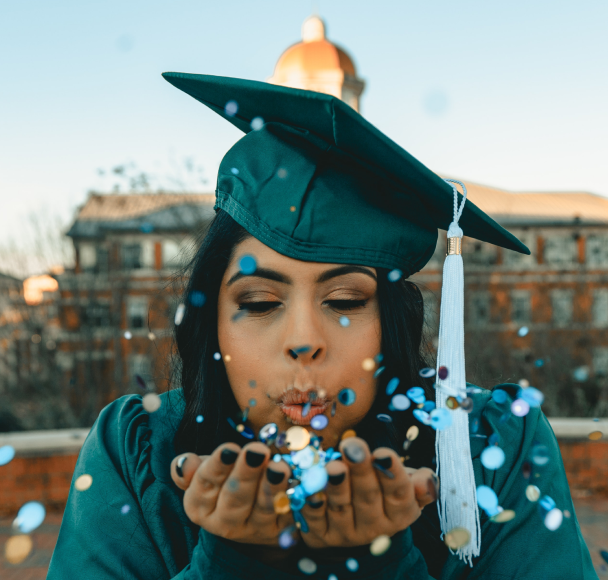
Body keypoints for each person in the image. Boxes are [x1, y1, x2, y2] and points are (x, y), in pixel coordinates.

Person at [47, 74, 597, 579]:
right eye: (260, 302)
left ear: (392, 322)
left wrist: (385, 567)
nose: (304, 340)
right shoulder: (138, 450)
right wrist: (231, 564)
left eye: (345, 299)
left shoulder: (488, 447)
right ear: (212, 322)